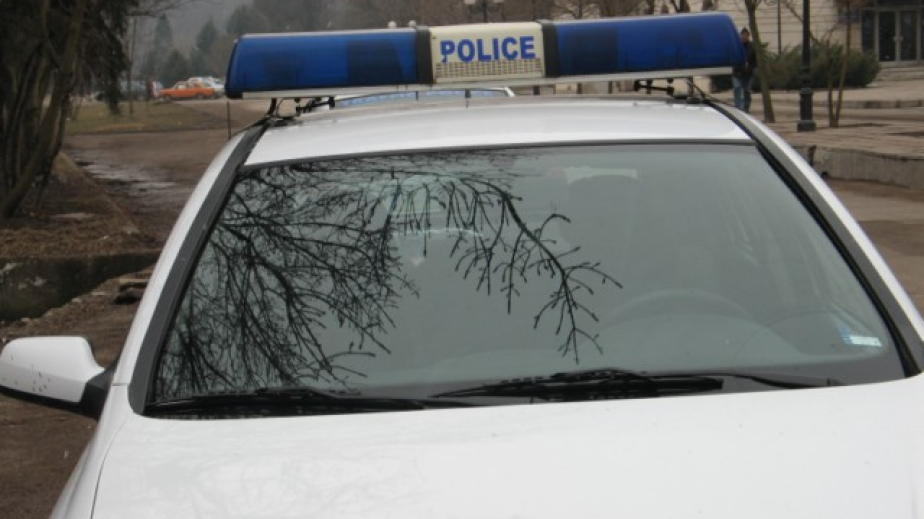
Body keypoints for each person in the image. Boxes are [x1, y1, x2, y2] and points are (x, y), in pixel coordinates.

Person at [732, 27, 758, 113]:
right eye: (742, 35)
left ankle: (746, 108)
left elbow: (755, 61)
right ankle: (738, 108)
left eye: (745, 35)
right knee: (737, 89)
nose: (743, 37)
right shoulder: (737, 46)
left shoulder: (752, 47)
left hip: (748, 74)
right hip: (737, 73)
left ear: (748, 36)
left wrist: (750, 69)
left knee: (747, 91)